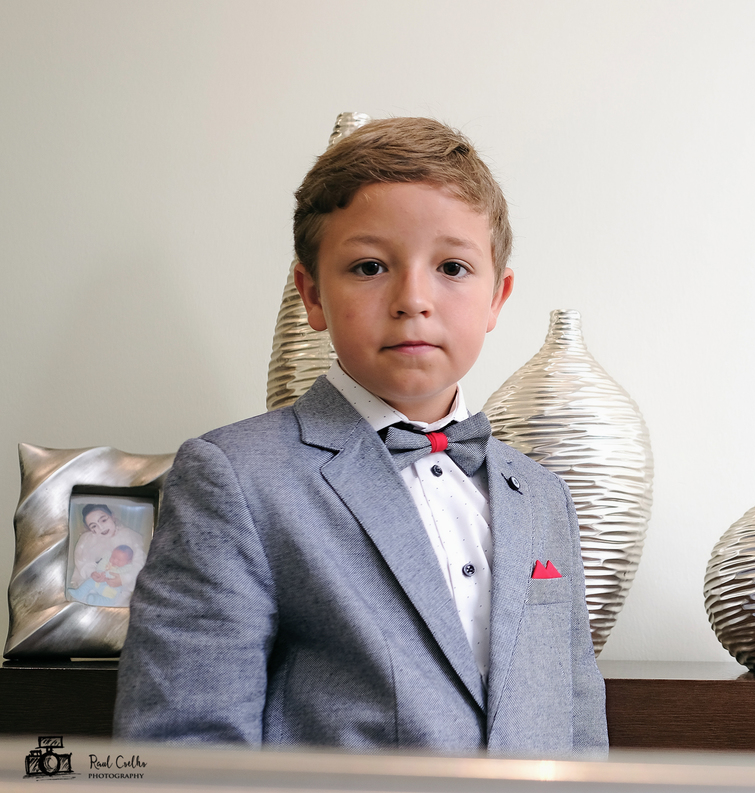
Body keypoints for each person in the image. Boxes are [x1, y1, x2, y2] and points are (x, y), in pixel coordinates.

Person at [113, 118, 607, 754]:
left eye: (453, 266)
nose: (413, 299)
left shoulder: (541, 495)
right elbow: (184, 746)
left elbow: (579, 723)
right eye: (370, 266)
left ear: (497, 297)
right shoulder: (234, 478)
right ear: (312, 294)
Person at [69, 504, 146, 601]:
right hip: (93, 581)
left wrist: (123, 579)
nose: (101, 527)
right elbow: (81, 561)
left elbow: (140, 562)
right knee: (86, 592)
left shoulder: (128, 535)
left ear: (112, 517)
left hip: (120, 585)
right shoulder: (87, 540)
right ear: (89, 528)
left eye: (104, 520)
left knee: (115, 598)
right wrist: (92, 573)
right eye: (94, 526)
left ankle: (100, 600)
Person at [67, 545, 137, 606]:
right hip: (99, 581)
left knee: (110, 599)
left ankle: (94, 600)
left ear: (128, 562)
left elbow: (124, 574)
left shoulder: (128, 567)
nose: (114, 561)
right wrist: (99, 572)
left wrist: (112, 575)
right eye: (113, 557)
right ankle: (79, 593)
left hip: (112, 587)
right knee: (89, 582)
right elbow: (100, 565)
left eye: (119, 560)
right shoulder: (107, 560)